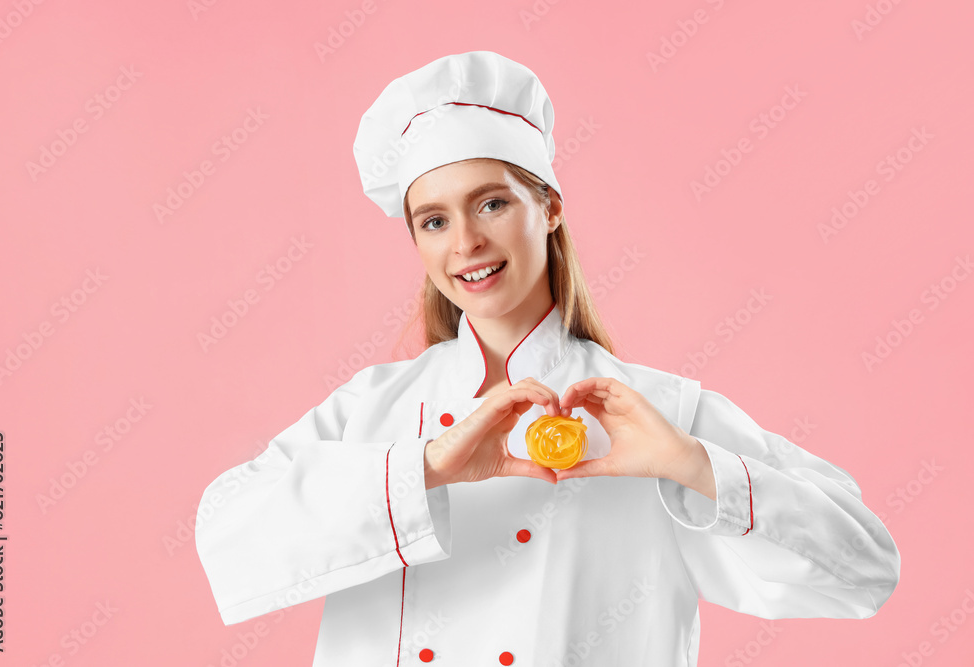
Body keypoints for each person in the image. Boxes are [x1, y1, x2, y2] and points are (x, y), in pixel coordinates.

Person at [194, 50, 900, 666]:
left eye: (492, 203)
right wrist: (425, 470)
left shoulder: (660, 414)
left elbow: (866, 564)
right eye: (434, 220)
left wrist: (691, 465)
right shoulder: (373, 408)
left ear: (550, 207)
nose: (465, 241)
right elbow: (225, 532)